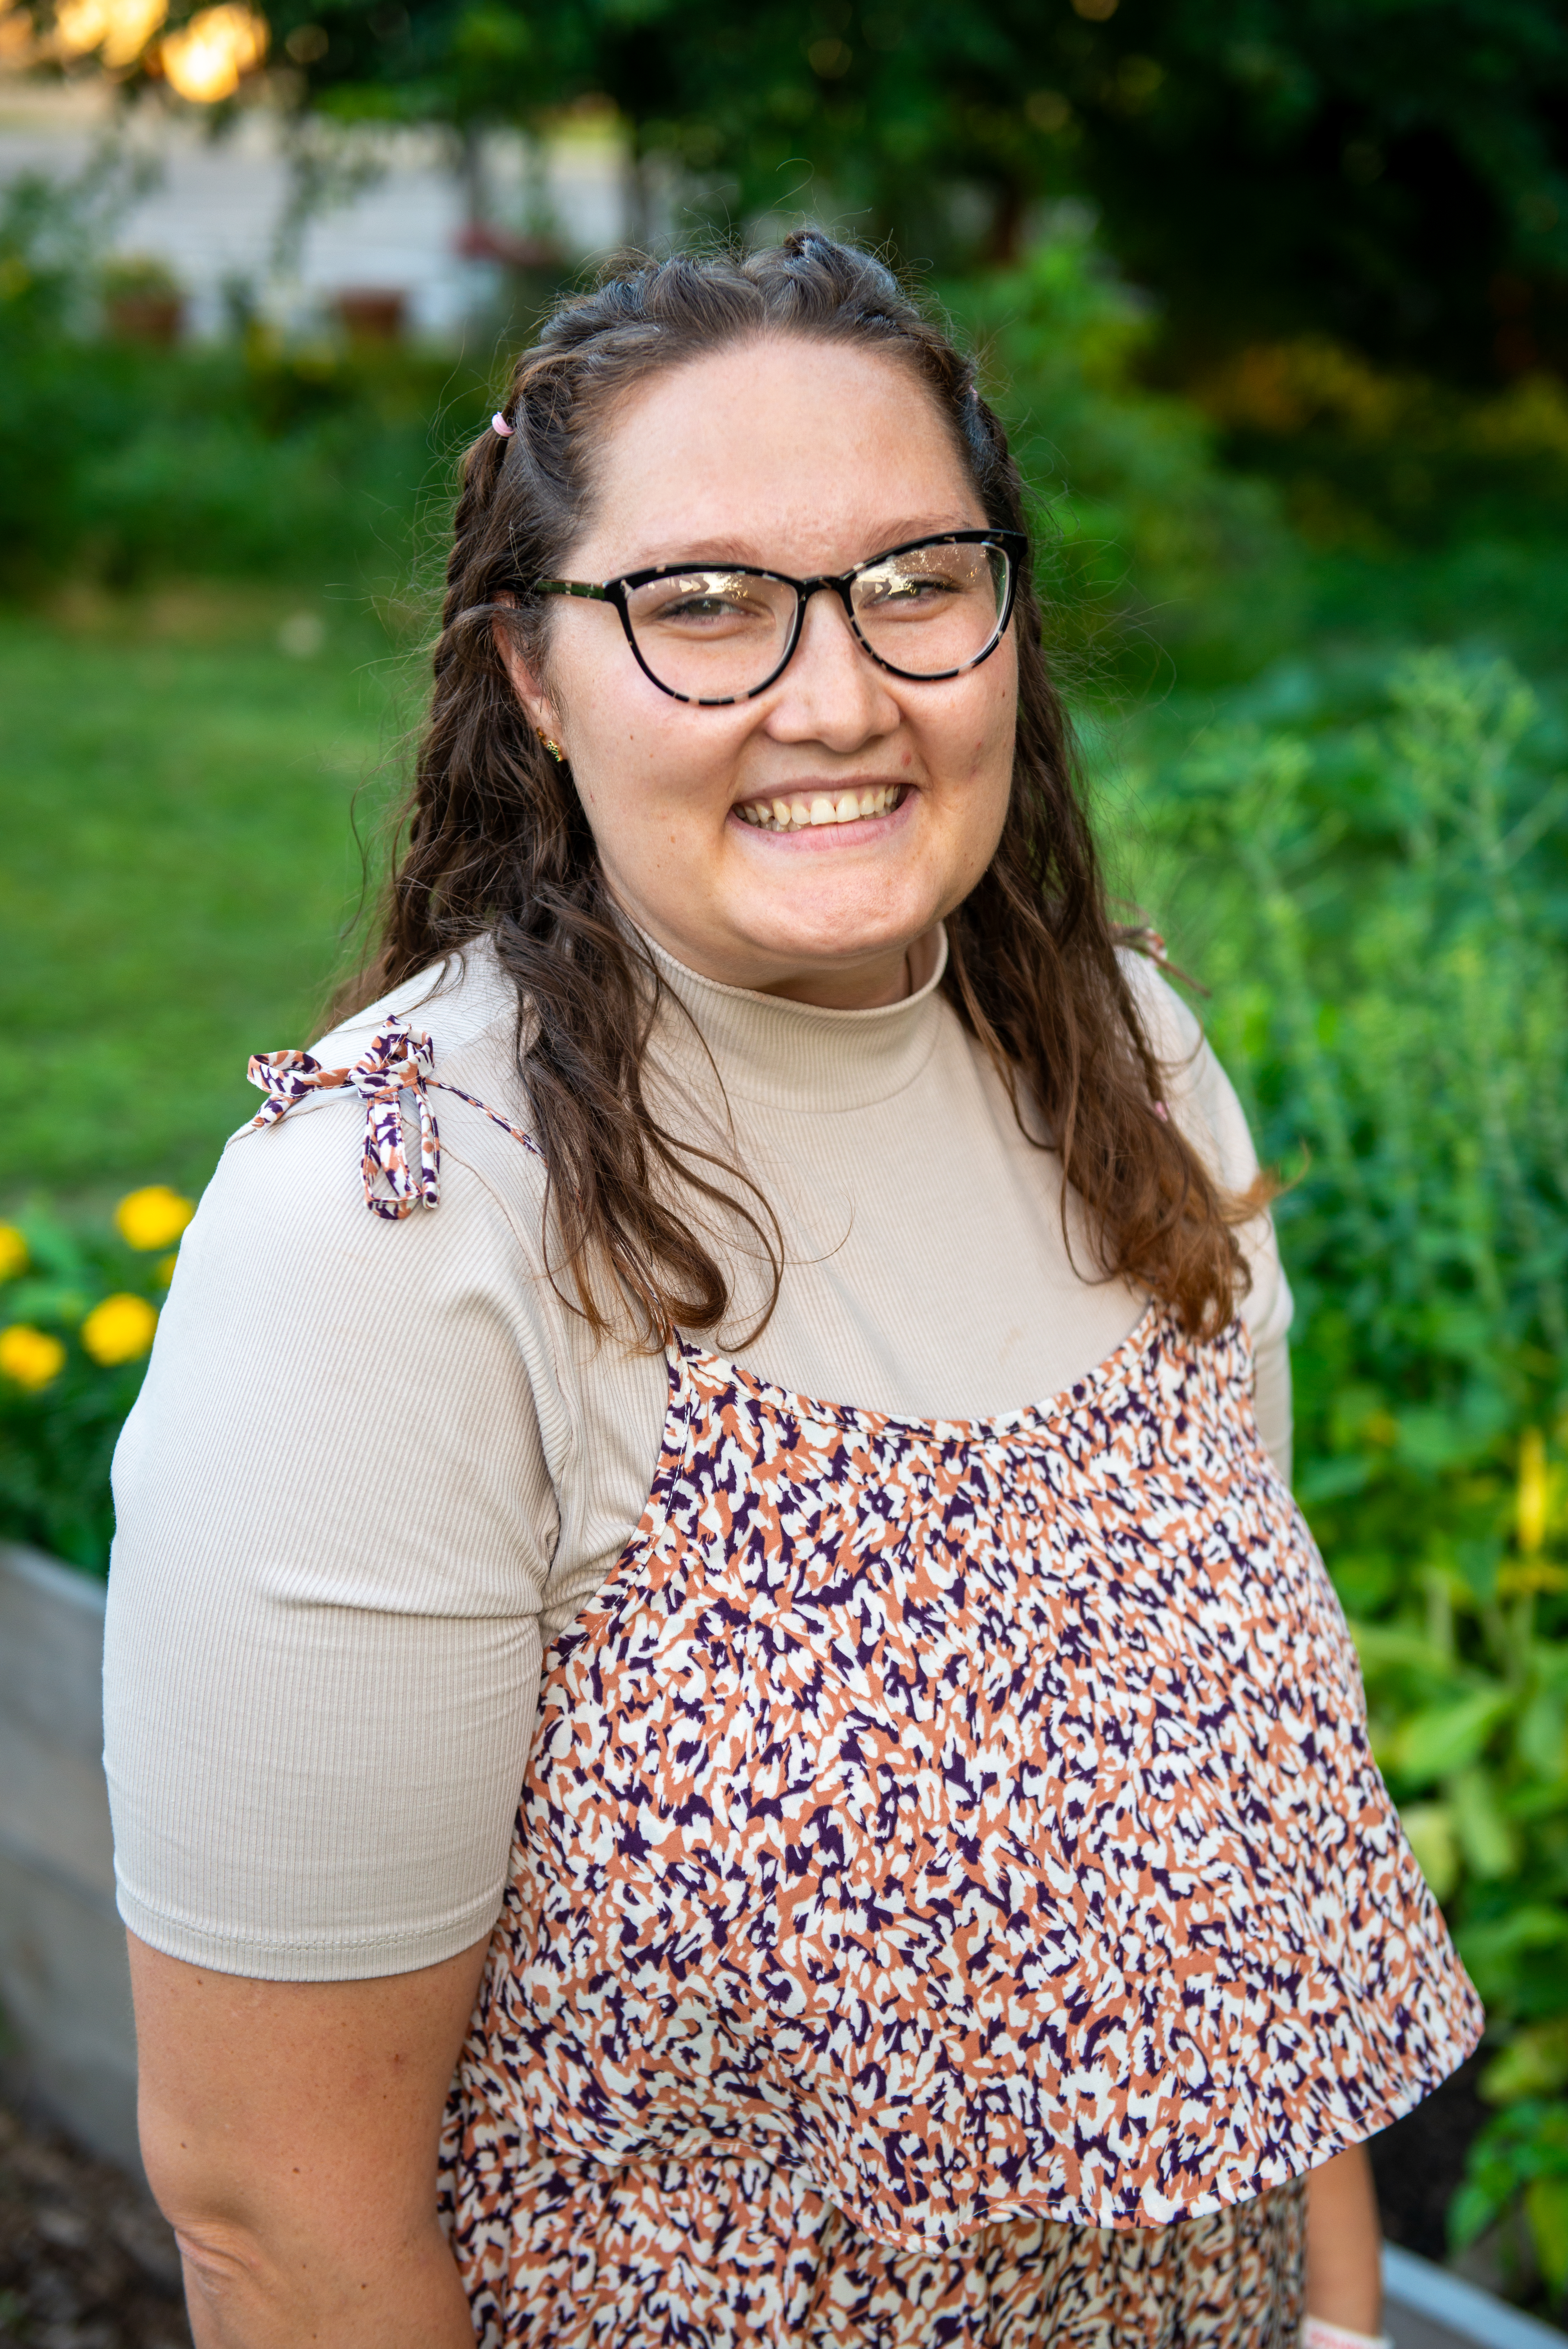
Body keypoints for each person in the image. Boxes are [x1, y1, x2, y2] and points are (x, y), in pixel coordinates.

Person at [103, 233, 1479, 2349]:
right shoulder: (393, 1232)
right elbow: (279, 2223)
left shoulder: (1127, 1071)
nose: (835, 697)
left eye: (913, 581)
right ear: (535, 679)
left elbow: (1242, 1858)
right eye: (703, 605)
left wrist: (1334, 2319)